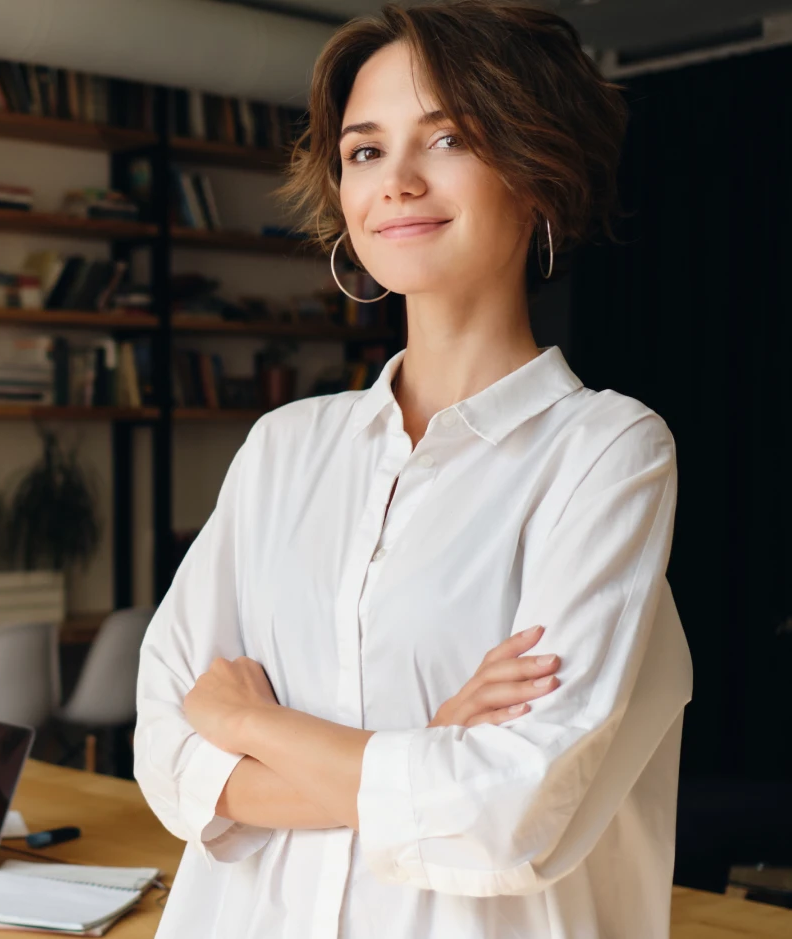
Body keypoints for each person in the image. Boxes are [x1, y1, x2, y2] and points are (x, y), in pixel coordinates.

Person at [134, 3, 693, 937]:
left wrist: (252, 724)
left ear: (536, 173)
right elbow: (165, 748)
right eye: (363, 151)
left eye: (446, 140)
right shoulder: (283, 448)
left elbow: (508, 810)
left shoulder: (606, 450)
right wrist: (423, 753)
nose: (394, 182)